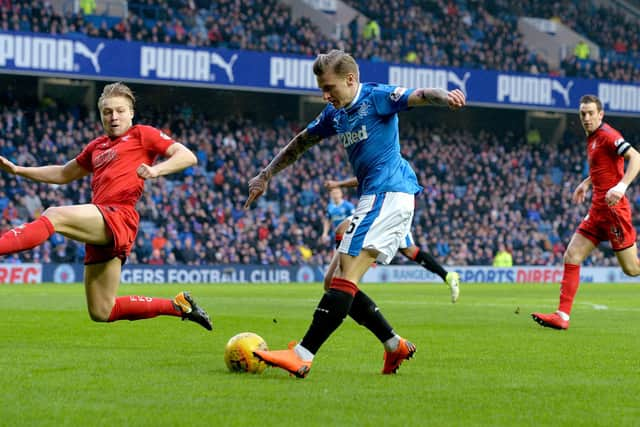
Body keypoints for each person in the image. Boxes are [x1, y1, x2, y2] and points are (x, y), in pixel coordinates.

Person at [244, 50, 465, 377]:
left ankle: (303, 355)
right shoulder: (335, 113)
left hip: (389, 192)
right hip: (374, 197)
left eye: (330, 87)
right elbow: (301, 142)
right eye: (322, 88)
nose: (325, 95)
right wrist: (265, 174)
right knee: (332, 280)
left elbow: (419, 95)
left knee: (345, 278)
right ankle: (394, 345)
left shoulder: (376, 96)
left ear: (350, 79)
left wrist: (445, 97)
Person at [0, 82, 212, 331]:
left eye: (120, 111)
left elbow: (187, 156)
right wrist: (18, 170)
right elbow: (62, 173)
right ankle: (179, 306)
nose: (114, 117)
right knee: (102, 310)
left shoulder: (142, 134)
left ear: (131, 113)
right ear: (101, 115)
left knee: (54, 215)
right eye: (107, 112)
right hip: (102, 220)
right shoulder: (96, 147)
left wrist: (156, 170)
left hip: (119, 215)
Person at [532, 94, 640, 330]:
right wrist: (586, 183)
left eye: (591, 113)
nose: (587, 118)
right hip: (597, 210)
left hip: (613, 212)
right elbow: (604, 167)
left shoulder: (609, 136)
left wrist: (621, 187)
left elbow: (636, 158)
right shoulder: (592, 139)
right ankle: (562, 315)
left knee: (632, 269)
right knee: (572, 256)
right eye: (583, 114)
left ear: (600, 115)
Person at [324, 177, 460, 302]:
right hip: (390, 206)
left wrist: (338, 184)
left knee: (409, 251)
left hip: (384, 207)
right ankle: (447, 276)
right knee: (409, 251)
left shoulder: (383, 162)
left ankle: (344, 273)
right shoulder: (392, 165)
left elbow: (365, 176)